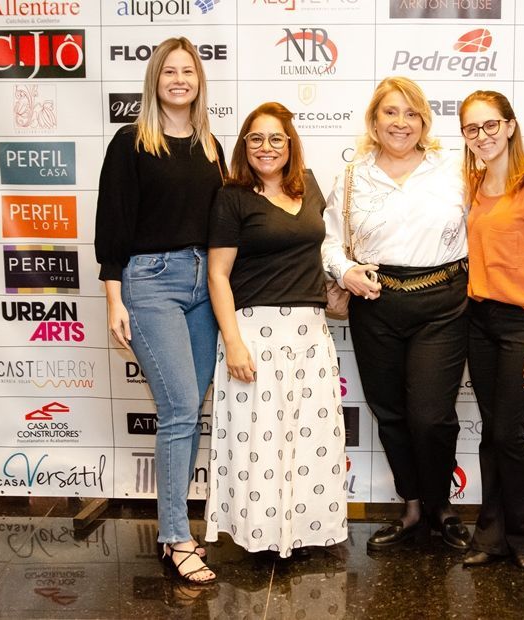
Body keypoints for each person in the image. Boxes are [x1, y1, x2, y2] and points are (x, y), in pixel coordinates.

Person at [94, 37, 225, 583]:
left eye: (187, 72)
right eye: (168, 71)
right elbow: (112, 221)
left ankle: (175, 529)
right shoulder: (131, 142)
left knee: (188, 409)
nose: (179, 79)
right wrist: (113, 297)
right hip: (150, 283)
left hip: (203, 285)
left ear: (198, 81)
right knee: (176, 410)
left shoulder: (210, 145)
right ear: (155, 81)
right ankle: (175, 536)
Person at [322, 76, 471, 551]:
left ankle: (441, 506)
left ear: (424, 121)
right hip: (376, 303)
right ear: (373, 120)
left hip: (443, 302)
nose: (400, 123)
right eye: (390, 112)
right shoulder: (351, 177)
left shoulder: (455, 170)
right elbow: (328, 238)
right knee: (390, 412)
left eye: (411, 113)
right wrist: (344, 271)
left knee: (431, 416)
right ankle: (411, 508)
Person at [204, 102, 348, 558]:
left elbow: (319, 252)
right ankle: (262, 535)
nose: (266, 148)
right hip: (255, 334)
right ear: (244, 146)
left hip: (309, 334)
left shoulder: (311, 189)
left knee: (310, 439)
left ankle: (302, 532)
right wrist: (233, 343)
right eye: (256, 139)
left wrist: (335, 290)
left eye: (276, 139)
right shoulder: (232, 197)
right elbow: (218, 275)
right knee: (260, 441)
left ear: (291, 145)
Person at [457, 91, 524, 569]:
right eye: (471, 128)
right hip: (479, 321)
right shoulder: (472, 186)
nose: (482, 136)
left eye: (490, 125)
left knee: (507, 432)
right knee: (491, 435)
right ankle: (490, 536)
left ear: (511, 126)